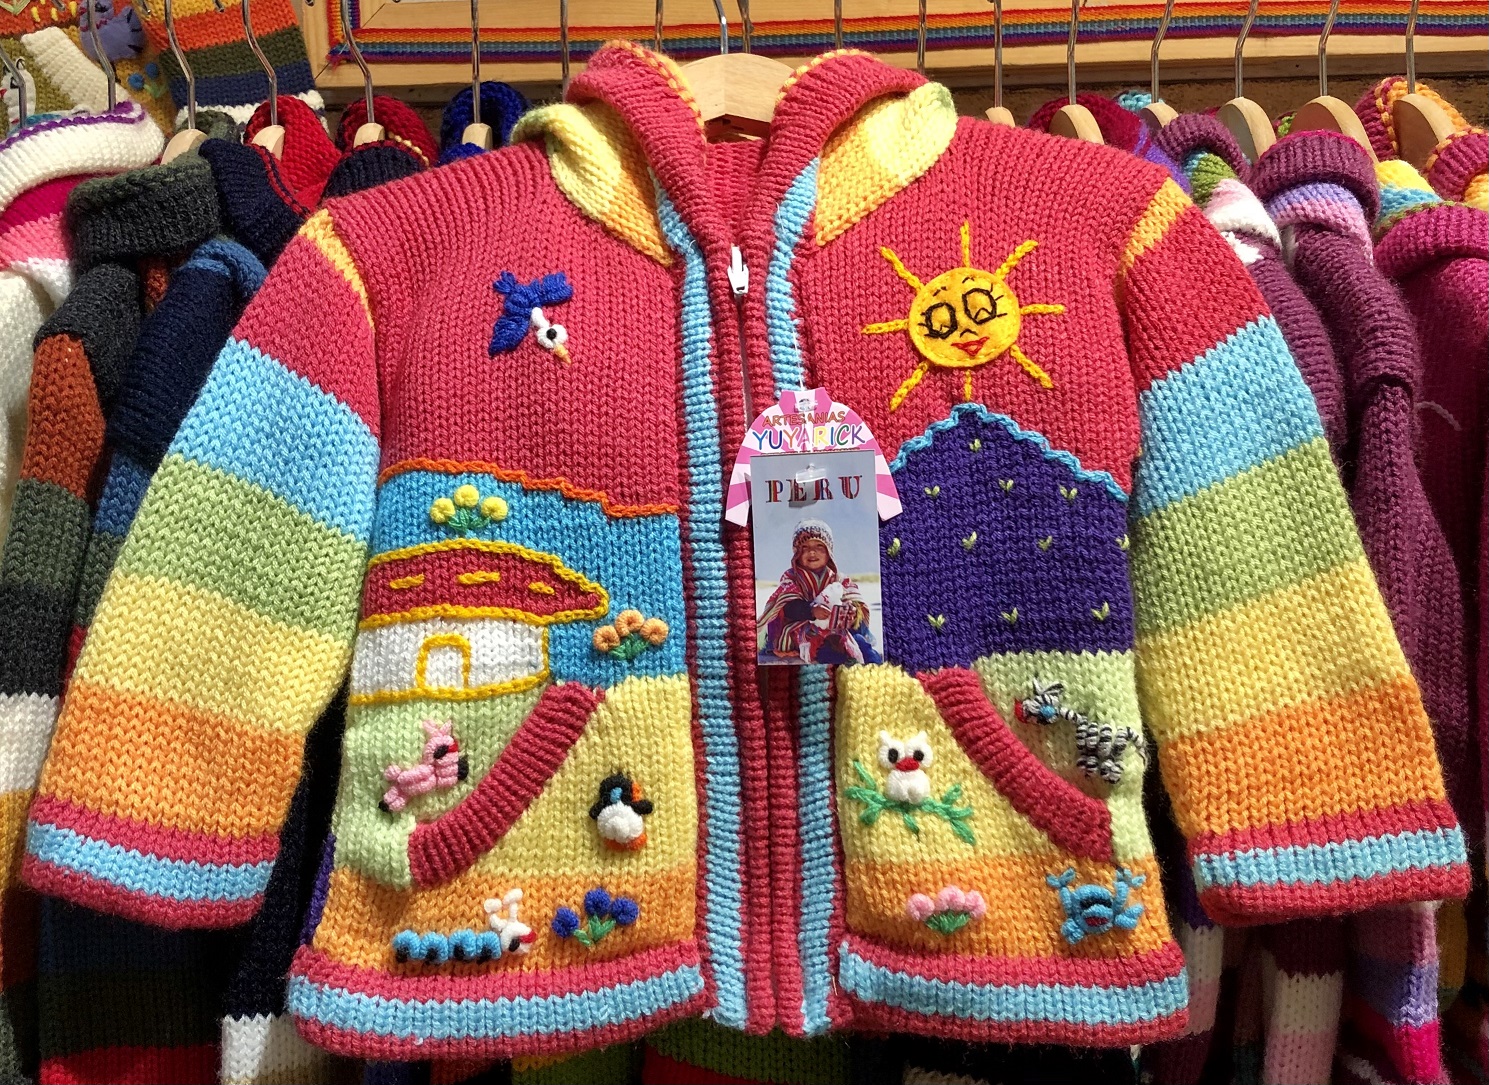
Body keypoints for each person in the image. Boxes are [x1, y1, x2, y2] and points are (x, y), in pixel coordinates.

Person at [758, 519, 881, 665]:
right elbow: (787, 606)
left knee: (858, 641)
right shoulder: (792, 577)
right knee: (823, 648)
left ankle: (874, 666)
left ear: (829, 551)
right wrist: (811, 610)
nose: (812, 552)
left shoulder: (838, 578)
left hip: (838, 629)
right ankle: (842, 663)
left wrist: (852, 611)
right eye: (805, 547)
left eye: (819, 546)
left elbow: (855, 600)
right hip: (803, 630)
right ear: (797, 553)